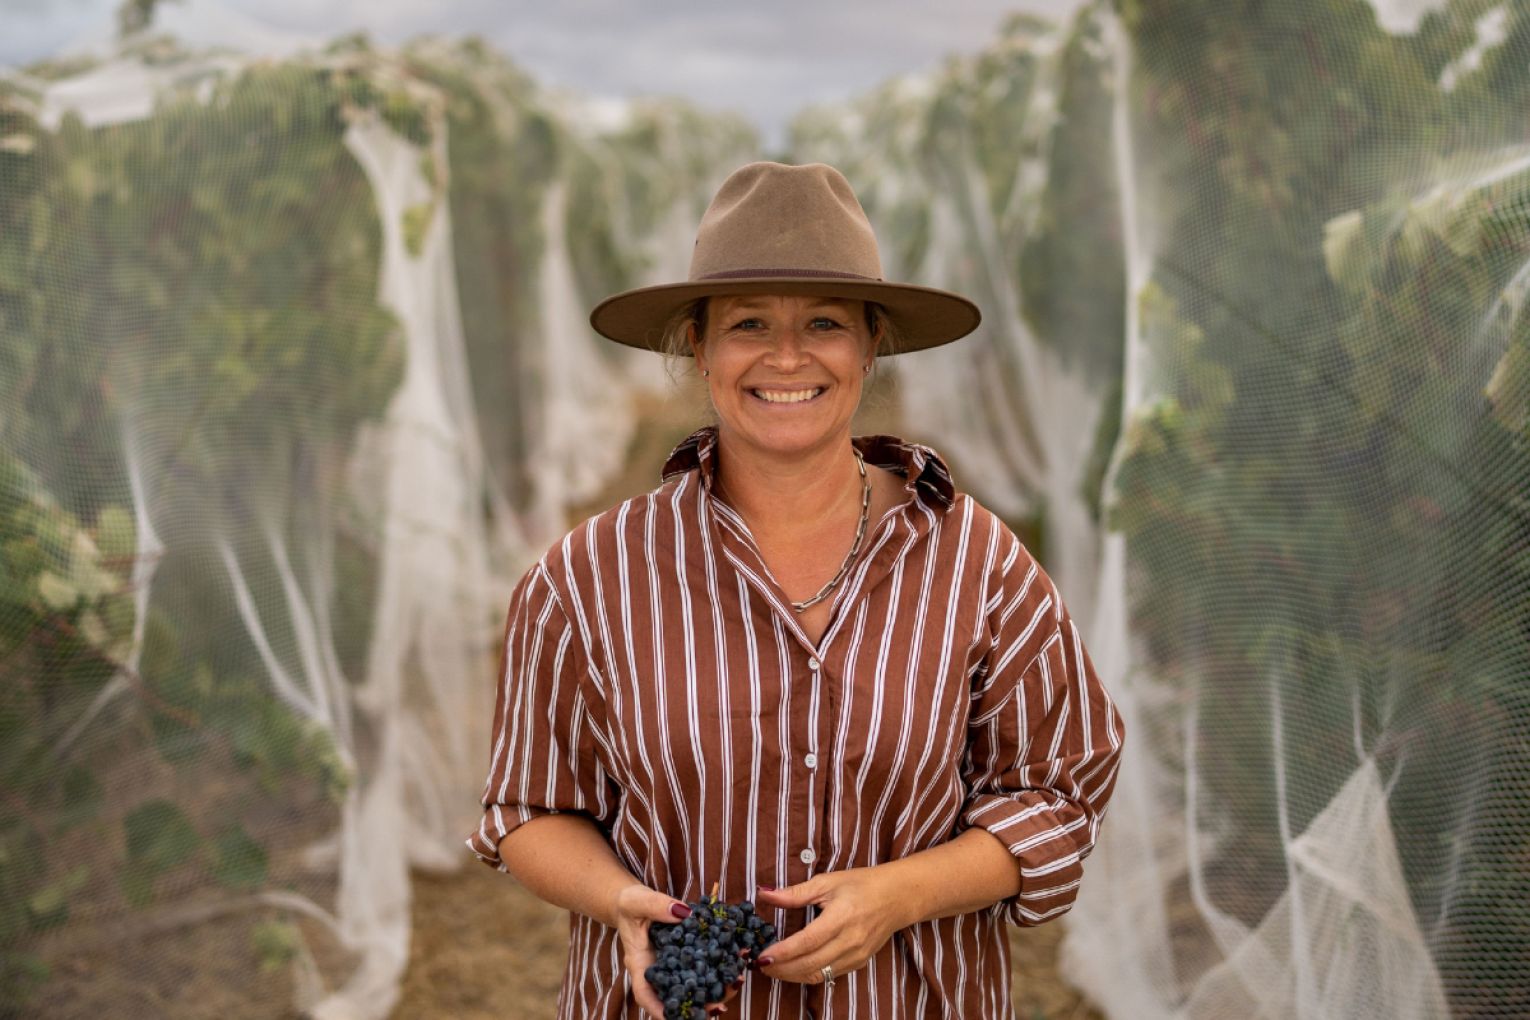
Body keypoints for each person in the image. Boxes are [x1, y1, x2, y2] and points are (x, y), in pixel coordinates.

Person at [466, 161, 1124, 1019]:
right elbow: (528, 806)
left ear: (869, 343)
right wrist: (617, 900)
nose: (787, 357)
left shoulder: (977, 561)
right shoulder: (588, 577)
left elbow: (1059, 791)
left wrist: (905, 893)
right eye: (747, 324)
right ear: (698, 346)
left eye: (823, 322)